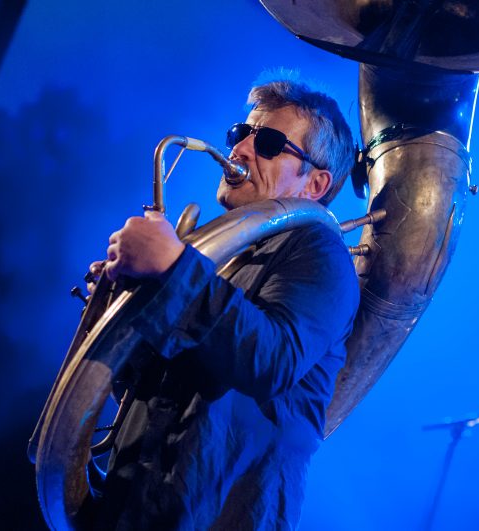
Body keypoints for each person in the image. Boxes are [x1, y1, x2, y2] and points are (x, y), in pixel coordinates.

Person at [86, 79, 359, 530]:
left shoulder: (321, 252)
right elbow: (148, 393)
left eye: (268, 144)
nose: (241, 148)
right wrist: (122, 306)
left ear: (315, 183)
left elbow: (272, 360)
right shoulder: (219, 256)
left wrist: (173, 268)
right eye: (241, 133)